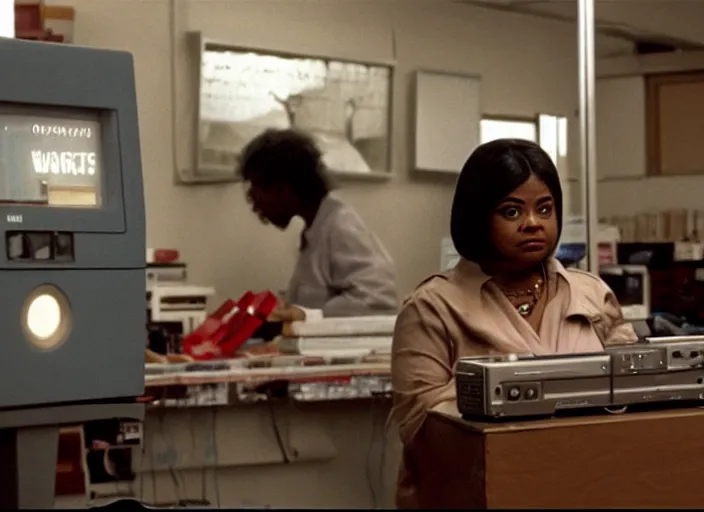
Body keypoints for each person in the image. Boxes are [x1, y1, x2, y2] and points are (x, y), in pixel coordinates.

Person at [388, 138, 637, 508]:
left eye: (545, 208)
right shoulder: (432, 308)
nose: (533, 224)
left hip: (590, 488)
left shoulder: (591, 294)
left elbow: (637, 394)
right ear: (477, 216)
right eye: (511, 212)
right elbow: (422, 426)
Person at [238, 128, 399, 319]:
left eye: (257, 187)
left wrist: (306, 315)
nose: (252, 200)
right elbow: (316, 298)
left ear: (284, 186)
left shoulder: (341, 226)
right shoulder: (316, 226)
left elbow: (380, 298)